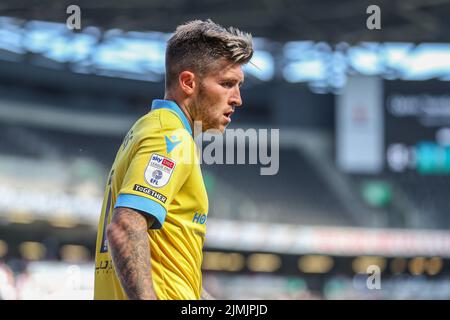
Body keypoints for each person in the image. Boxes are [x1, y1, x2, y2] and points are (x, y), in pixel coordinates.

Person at [93, 19, 253, 300]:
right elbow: (125, 225)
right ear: (189, 82)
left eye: (239, 85)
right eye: (227, 84)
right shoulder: (170, 135)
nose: (237, 98)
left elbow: (171, 266)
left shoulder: (147, 127)